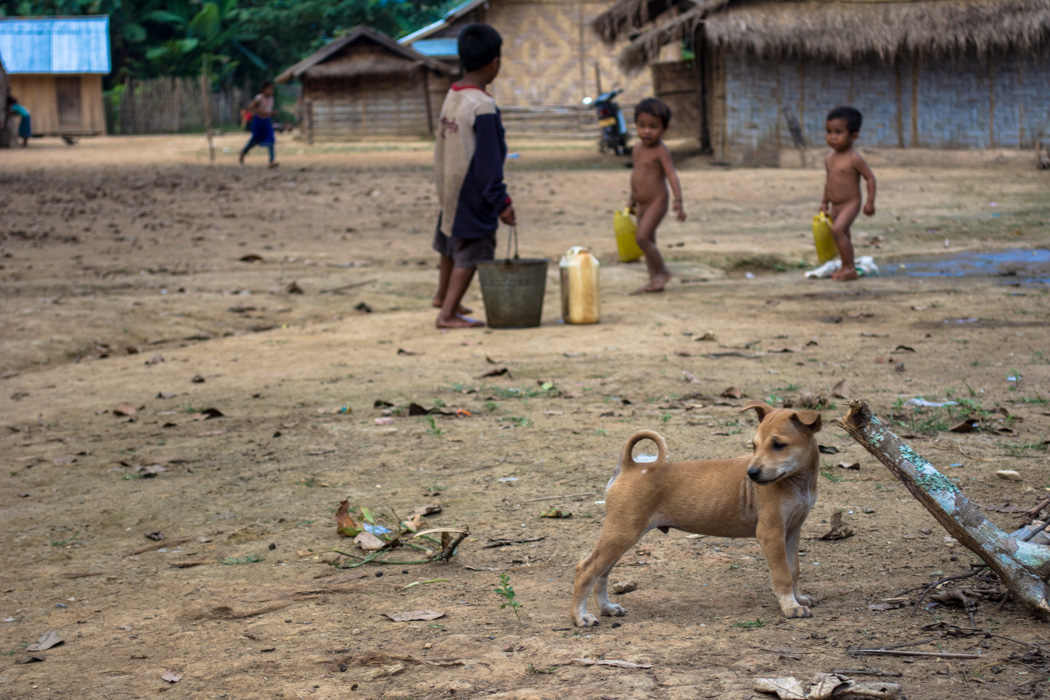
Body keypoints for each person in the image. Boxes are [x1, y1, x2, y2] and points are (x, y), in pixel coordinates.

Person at [431, 23, 516, 329]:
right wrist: (500, 201)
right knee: (473, 249)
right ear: (495, 62)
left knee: (451, 243)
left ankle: (443, 296)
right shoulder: (483, 105)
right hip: (472, 188)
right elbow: (488, 162)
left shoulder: (453, 96)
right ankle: (448, 314)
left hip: (449, 185)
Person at [627, 98, 685, 294]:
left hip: (656, 201)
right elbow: (637, 174)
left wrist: (678, 200)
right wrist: (632, 198)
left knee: (642, 238)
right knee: (649, 239)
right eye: (642, 126)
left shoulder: (661, 150)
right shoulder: (636, 149)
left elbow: (671, 175)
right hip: (641, 203)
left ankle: (662, 272)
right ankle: (654, 281)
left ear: (664, 129)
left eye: (653, 127)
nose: (647, 131)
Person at [821, 106, 876, 281]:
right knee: (843, 234)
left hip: (850, 203)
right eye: (829, 131)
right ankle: (848, 264)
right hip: (835, 204)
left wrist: (870, 202)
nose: (833, 137)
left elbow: (870, 178)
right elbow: (828, 181)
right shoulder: (829, 158)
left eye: (839, 132)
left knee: (838, 231)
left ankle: (848, 268)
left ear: (853, 136)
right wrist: (824, 202)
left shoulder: (854, 158)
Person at [239, 82, 278, 168]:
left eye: (272, 89)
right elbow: (251, 107)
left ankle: (271, 161)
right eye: (269, 89)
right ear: (264, 89)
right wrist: (265, 112)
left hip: (266, 121)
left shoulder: (271, 98)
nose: (271, 91)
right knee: (255, 140)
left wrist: (269, 113)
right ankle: (243, 152)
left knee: (271, 140)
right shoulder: (259, 98)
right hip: (259, 121)